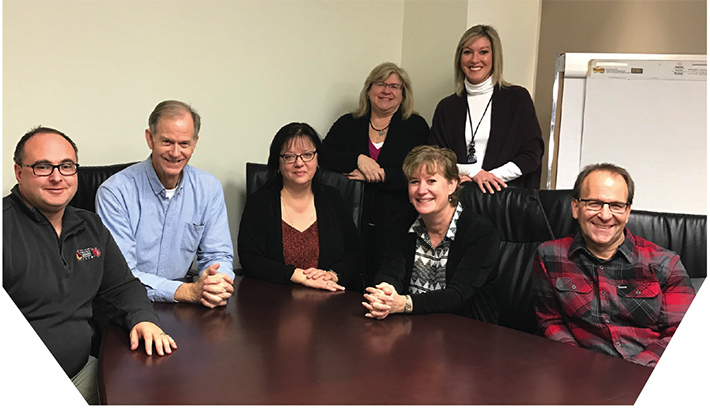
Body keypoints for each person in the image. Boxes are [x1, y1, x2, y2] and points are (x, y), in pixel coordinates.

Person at [3, 127, 176, 404]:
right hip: (20, 388)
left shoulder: (90, 226)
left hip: (83, 371)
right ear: (19, 172)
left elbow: (123, 287)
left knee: (164, 389)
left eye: (67, 166)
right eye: (43, 167)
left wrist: (143, 318)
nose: (57, 177)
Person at [532, 163, 696, 367]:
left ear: (627, 212)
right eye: (594, 203)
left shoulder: (665, 264)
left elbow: (682, 334)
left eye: (616, 206)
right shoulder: (550, 257)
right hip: (578, 374)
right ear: (576, 207)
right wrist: (578, 365)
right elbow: (551, 322)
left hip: (647, 375)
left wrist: (631, 371)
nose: (605, 215)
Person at [96, 100, 234, 307]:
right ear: (150, 139)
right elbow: (122, 274)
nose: (176, 152)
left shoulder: (209, 188)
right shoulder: (115, 192)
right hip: (128, 302)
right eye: (167, 142)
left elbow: (218, 254)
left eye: (184, 143)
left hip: (187, 303)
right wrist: (185, 291)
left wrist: (216, 282)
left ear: (195, 143)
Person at [319, 62, 429, 285]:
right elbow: (322, 155)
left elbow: (423, 171)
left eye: (395, 86)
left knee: (386, 282)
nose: (387, 90)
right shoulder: (348, 123)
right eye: (380, 84)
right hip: (350, 219)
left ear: (403, 94)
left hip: (397, 221)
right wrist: (357, 159)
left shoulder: (416, 126)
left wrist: (381, 175)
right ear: (369, 90)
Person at [362, 145, 500, 322]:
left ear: (452, 184)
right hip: (412, 326)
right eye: (414, 181)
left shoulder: (481, 232)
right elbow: (390, 271)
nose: (421, 190)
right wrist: (384, 294)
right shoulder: (401, 224)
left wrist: (404, 304)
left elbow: (458, 295)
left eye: (431, 181)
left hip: (466, 333)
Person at [238, 122, 363, 292]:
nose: (299, 163)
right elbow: (250, 259)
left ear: (318, 158)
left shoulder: (333, 198)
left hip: (329, 299)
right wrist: (297, 275)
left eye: (307, 154)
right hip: (272, 302)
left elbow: (354, 251)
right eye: (289, 156)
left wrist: (333, 274)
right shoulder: (259, 202)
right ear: (278, 162)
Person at [429, 24, 544, 194]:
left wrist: (488, 178)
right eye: (467, 52)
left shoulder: (517, 98)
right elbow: (435, 158)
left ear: (495, 57)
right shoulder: (447, 108)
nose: (475, 60)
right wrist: (472, 173)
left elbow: (531, 154)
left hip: (505, 198)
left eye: (483, 52)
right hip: (459, 197)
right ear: (459, 58)